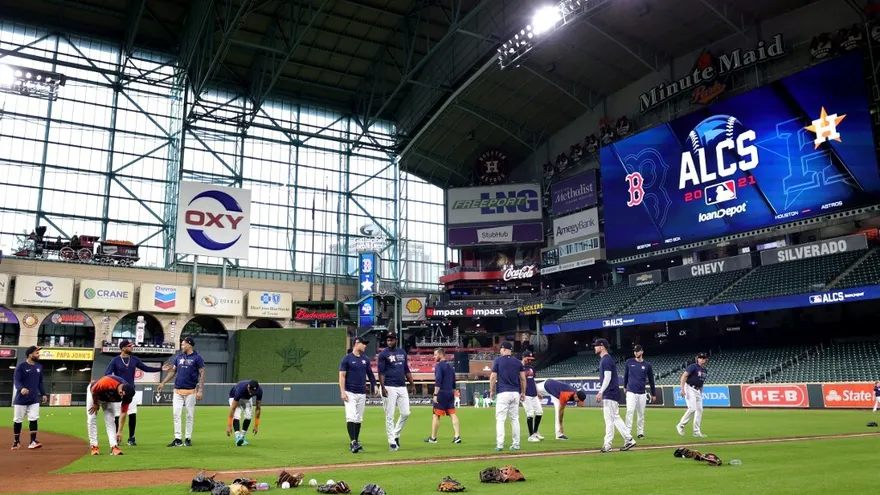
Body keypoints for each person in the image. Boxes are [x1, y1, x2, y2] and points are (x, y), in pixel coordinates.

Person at [105, 340, 171, 446]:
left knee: (132, 414)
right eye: (129, 346)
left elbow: (145, 368)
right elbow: (107, 374)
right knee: (117, 415)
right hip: (118, 393)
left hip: (130, 392)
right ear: (123, 348)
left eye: (132, 346)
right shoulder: (115, 360)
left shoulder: (134, 359)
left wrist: (160, 368)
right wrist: (115, 386)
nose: (132, 347)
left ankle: (131, 438)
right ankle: (116, 437)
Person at [157, 336, 206, 447]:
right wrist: (163, 382)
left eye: (183, 344)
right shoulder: (179, 357)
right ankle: (178, 439)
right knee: (176, 414)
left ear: (189, 344)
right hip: (177, 390)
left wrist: (200, 390)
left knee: (189, 415)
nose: (182, 346)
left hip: (191, 391)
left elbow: (202, 373)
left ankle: (188, 438)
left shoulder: (197, 358)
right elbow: (173, 371)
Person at [593, 338, 636, 453]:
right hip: (611, 393)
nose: (594, 347)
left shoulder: (606, 360)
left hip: (610, 393)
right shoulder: (605, 359)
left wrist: (601, 391)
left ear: (602, 346)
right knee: (614, 418)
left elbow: (607, 377)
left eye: (596, 345)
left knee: (610, 419)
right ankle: (627, 439)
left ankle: (609, 444)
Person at [377, 332, 415, 451]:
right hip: (389, 386)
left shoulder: (402, 352)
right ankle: (392, 442)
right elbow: (381, 372)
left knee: (406, 413)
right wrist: (383, 387)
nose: (389, 342)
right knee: (390, 415)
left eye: (391, 340)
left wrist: (412, 384)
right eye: (387, 340)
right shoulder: (383, 354)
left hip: (401, 386)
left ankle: (395, 434)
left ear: (396, 340)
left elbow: (406, 369)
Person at [339, 337, 376, 453]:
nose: (365, 346)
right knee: (351, 416)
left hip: (361, 392)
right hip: (350, 392)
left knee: (359, 418)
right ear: (356, 343)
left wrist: (375, 385)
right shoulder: (347, 359)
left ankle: (356, 441)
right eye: (363, 343)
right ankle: (353, 442)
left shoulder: (365, 359)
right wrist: (342, 391)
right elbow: (342, 376)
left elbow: (370, 374)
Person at [86, 374, 136, 456]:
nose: (123, 398)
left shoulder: (128, 396)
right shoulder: (107, 382)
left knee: (110, 420)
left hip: (108, 399)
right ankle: (94, 446)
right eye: (122, 395)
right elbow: (93, 390)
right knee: (91, 418)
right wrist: (95, 403)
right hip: (95, 393)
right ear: (121, 392)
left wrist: (120, 431)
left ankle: (114, 447)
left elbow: (123, 413)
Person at [489, 341, 525, 452]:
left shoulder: (498, 361)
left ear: (504, 349)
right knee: (515, 419)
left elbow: (493, 377)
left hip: (503, 393)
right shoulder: (518, 362)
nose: (500, 351)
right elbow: (523, 378)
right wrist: (523, 392)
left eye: (501, 349)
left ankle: (500, 445)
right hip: (515, 393)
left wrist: (491, 391)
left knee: (500, 420)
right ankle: (516, 444)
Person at [11, 346, 47, 450]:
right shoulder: (21, 367)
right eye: (36, 353)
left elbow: (40, 382)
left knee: (34, 419)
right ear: (30, 354)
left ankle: (32, 441)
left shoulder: (39, 367)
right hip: (21, 399)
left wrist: (44, 394)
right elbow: (16, 381)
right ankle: (16, 441)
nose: (38, 354)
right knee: (18, 420)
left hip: (34, 399)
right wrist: (21, 388)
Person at [425, 348, 461, 444]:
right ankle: (457, 436)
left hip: (441, 393)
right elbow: (454, 381)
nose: (434, 357)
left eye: (435, 355)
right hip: (450, 393)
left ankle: (433, 438)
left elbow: (438, 380)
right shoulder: (450, 367)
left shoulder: (439, 366)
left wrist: (435, 394)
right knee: (453, 414)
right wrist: (453, 392)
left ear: (440, 355)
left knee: (436, 415)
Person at [623, 345, 656, 439]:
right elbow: (626, 375)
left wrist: (653, 393)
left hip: (642, 392)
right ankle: (627, 432)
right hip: (631, 391)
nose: (635, 353)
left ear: (642, 352)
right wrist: (625, 386)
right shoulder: (629, 362)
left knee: (641, 413)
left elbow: (651, 379)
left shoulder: (647, 365)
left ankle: (640, 432)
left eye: (637, 351)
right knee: (629, 411)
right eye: (634, 351)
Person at [677, 352, 709, 438]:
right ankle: (680, 425)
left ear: (706, 360)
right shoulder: (693, 366)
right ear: (697, 359)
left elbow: (701, 382)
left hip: (697, 390)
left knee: (699, 410)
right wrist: (682, 389)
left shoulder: (705, 370)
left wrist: (700, 393)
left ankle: (696, 431)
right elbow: (684, 376)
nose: (702, 359)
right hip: (689, 388)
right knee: (692, 408)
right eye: (700, 358)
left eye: (703, 358)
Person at [226, 380, 263, 446]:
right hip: (234, 397)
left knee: (248, 416)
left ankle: (242, 437)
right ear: (248, 387)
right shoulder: (240, 390)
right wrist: (229, 425)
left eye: (253, 392)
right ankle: (237, 437)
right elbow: (233, 408)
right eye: (250, 391)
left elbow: (258, 408)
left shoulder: (259, 391)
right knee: (237, 415)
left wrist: (256, 425)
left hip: (246, 399)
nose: (251, 393)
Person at [520, 350, 544, 442]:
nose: (530, 361)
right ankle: (531, 436)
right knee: (530, 413)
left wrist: (538, 392)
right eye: (528, 359)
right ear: (524, 357)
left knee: (539, 412)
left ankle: (535, 432)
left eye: (531, 359)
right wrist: (522, 393)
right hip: (525, 394)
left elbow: (533, 380)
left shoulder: (531, 368)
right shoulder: (519, 367)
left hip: (533, 393)